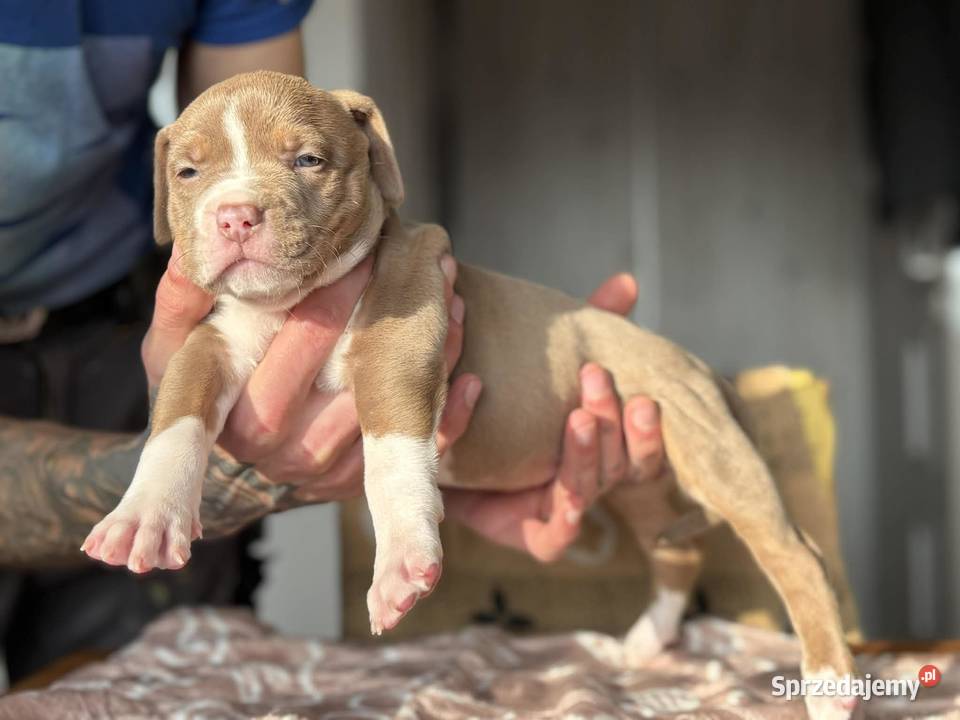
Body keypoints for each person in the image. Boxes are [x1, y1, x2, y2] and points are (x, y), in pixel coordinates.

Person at [0, 0, 665, 684]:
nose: (236, 210)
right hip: (141, 345)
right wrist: (178, 475)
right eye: (191, 175)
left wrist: (505, 416)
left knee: (168, 682)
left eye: (309, 159)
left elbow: (256, 116)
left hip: (114, 303)